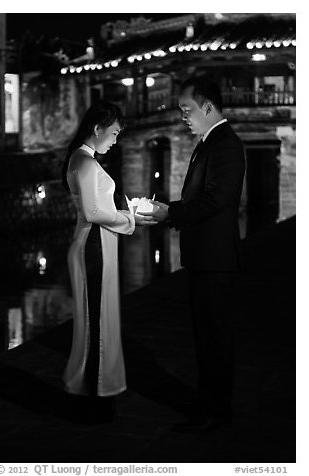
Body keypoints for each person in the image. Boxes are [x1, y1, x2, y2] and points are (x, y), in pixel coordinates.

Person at [139, 76, 246, 432]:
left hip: (215, 259)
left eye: (187, 109)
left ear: (208, 107)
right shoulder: (207, 142)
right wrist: (169, 211)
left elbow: (215, 200)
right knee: (205, 336)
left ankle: (217, 412)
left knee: (215, 337)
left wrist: (169, 212)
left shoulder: (225, 145)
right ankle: (206, 403)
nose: (183, 116)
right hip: (204, 256)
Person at [62, 101, 155, 421]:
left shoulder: (80, 159)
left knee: (95, 320)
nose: (116, 139)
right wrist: (130, 219)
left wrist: (126, 219)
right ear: (97, 128)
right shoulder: (85, 163)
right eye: (113, 133)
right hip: (94, 247)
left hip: (93, 243)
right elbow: (93, 212)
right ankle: (95, 396)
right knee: (98, 321)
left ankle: (89, 391)